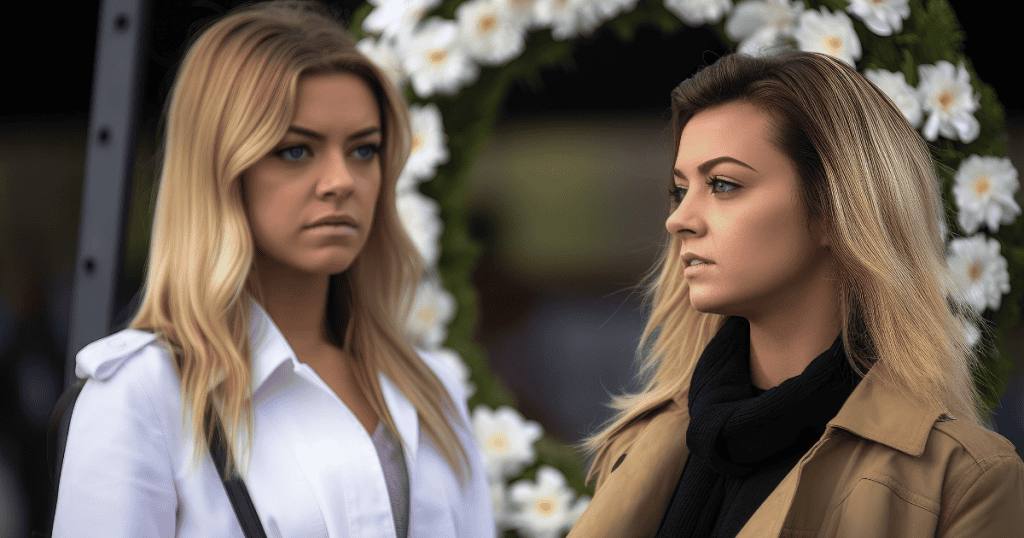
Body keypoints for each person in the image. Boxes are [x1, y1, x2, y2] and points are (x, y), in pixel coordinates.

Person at [51, 2, 492, 536]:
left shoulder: (431, 388)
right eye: (296, 151)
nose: (341, 181)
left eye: (363, 150)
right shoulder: (142, 395)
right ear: (220, 167)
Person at [569, 51, 1024, 538]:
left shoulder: (960, 480)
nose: (679, 219)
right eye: (681, 190)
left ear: (835, 207)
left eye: (723, 184)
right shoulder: (638, 444)